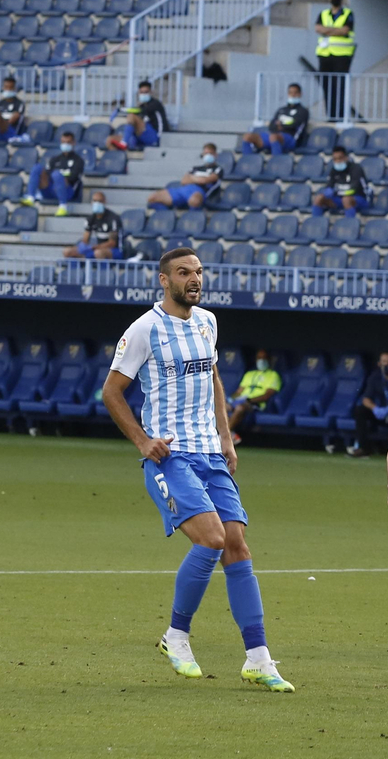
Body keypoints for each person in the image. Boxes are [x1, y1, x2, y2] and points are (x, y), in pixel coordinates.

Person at [100, 247, 294, 691]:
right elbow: (112, 391)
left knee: (238, 546)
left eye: (199, 272)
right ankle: (176, 636)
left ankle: (259, 658)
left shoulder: (207, 321)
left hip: (210, 452)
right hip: (171, 456)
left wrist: (226, 436)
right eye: (184, 272)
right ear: (163, 280)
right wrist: (143, 441)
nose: (195, 279)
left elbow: (213, 378)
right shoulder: (145, 329)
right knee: (211, 538)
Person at [347, 351, 388, 458]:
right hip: (379, 411)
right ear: (379, 364)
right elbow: (366, 398)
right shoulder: (375, 377)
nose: (386, 364)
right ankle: (363, 448)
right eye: (384, 362)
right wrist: (375, 408)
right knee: (360, 410)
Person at [315, 0, 356, 122]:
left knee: (340, 86)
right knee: (327, 86)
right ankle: (331, 116)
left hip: (342, 55)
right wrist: (335, 30)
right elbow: (318, 28)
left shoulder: (348, 14)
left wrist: (327, 30)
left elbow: (345, 30)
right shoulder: (324, 13)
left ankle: (340, 115)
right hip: (325, 55)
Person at [21, 133, 86, 216]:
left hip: (67, 192)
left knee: (57, 174)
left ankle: (63, 206)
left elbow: (74, 177)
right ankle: (31, 197)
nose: (65, 144)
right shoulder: (55, 159)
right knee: (37, 168)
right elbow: (47, 172)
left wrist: (60, 176)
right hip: (51, 190)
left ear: (73, 143)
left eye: (68, 142)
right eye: (63, 142)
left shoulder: (78, 160)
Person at [226, 350, 281, 444]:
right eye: (259, 358)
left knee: (240, 408)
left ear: (269, 360)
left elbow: (267, 395)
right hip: (241, 400)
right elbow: (239, 392)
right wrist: (230, 400)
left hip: (255, 403)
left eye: (264, 358)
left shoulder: (273, 375)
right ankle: (231, 434)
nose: (261, 360)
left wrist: (249, 400)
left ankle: (224, 436)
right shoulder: (249, 374)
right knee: (222, 407)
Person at [148, 143, 223, 211]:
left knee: (195, 201)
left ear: (215, 155)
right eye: (206, 153)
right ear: (202, 154)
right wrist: (198, 179)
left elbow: (206, 180)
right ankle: (167, 217)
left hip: (200, 191)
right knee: (153, 198)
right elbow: (184, 181)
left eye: (210, 153)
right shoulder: (195, 168)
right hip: (184, 189)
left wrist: (192, 178)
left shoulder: (217, 169)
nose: (208, 156)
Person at [241, 83, 311, 155]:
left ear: (300, 94)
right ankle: (248, 162)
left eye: (295, 93)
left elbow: (295, 125)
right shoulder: (281, 110)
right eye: (290, 92)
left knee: (274, 137)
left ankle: (276, 163)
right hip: (274, 136)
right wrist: (279, 126)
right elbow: (272, 125)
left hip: (291, 138)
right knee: (247, 136)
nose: (292, 95)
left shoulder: (303, 111)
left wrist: (281, 125)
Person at [310, 146, 372, 215]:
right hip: (341, 199)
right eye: (335, 159)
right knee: (319, 198)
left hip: (360, 199)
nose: (338, 161)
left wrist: (336, 192)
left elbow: (353, 189)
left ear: (346, 158)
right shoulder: (334, 170)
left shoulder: (356, 169)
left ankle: (349, 224)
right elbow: (329, 186)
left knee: (346, 200)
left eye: (340, 158)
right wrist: (328, 191)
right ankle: (316, 223)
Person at [109, 81, 170, 152]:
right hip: (144, 135)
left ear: (151, 92)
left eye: (146, 92)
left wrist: (120, 109)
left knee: (132, 115)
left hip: (156, 137)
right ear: (139, 93)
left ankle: (124, 143)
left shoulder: (155, 104)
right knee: (110, 140)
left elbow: (138, 111)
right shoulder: (142, 105)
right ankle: (118, 158)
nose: (143, 94)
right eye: (142, 92)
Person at [63, 192, 123, 260]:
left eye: (100, 201)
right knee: (67, 251)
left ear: (104, 202)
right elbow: (85, 240)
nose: (97, 203)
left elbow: (112, 243)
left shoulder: (113, 218)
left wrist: (95, 247)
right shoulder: (90, 219)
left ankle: (103, 270)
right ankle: (76, 269)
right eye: (95, 201)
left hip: (114, 250)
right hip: (97, 248)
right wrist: (84, 248)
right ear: (91, 202)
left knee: (98, 253)